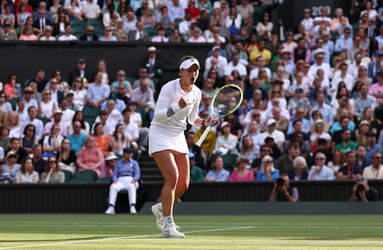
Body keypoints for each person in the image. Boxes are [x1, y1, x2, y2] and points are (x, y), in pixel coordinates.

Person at [149, 55, 218, 238]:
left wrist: (204, 122)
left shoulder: (196, 92)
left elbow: (191, 119)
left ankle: (160, 207)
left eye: (196, 70)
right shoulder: (168, 88)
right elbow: (157, 116)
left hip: (178, 135)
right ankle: (168, 225)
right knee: (172, 176)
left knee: (183, 184)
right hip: (160, 133)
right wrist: (176, 107)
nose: (193, 73)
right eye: (189, 70)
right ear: (181, 72)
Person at [105, 147, 141, 215]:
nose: (129, 155)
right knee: (113, 187)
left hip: (131, 179)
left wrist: (134, 179)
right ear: (124, 154)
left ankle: (132, 206)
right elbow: (115, 174)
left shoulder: (134, 163)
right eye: (127, 153)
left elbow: (137, 174)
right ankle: (111, 207)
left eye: (130, 153)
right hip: (120, 180)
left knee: (131, 186)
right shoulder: (118, 163)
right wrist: (115, 180)